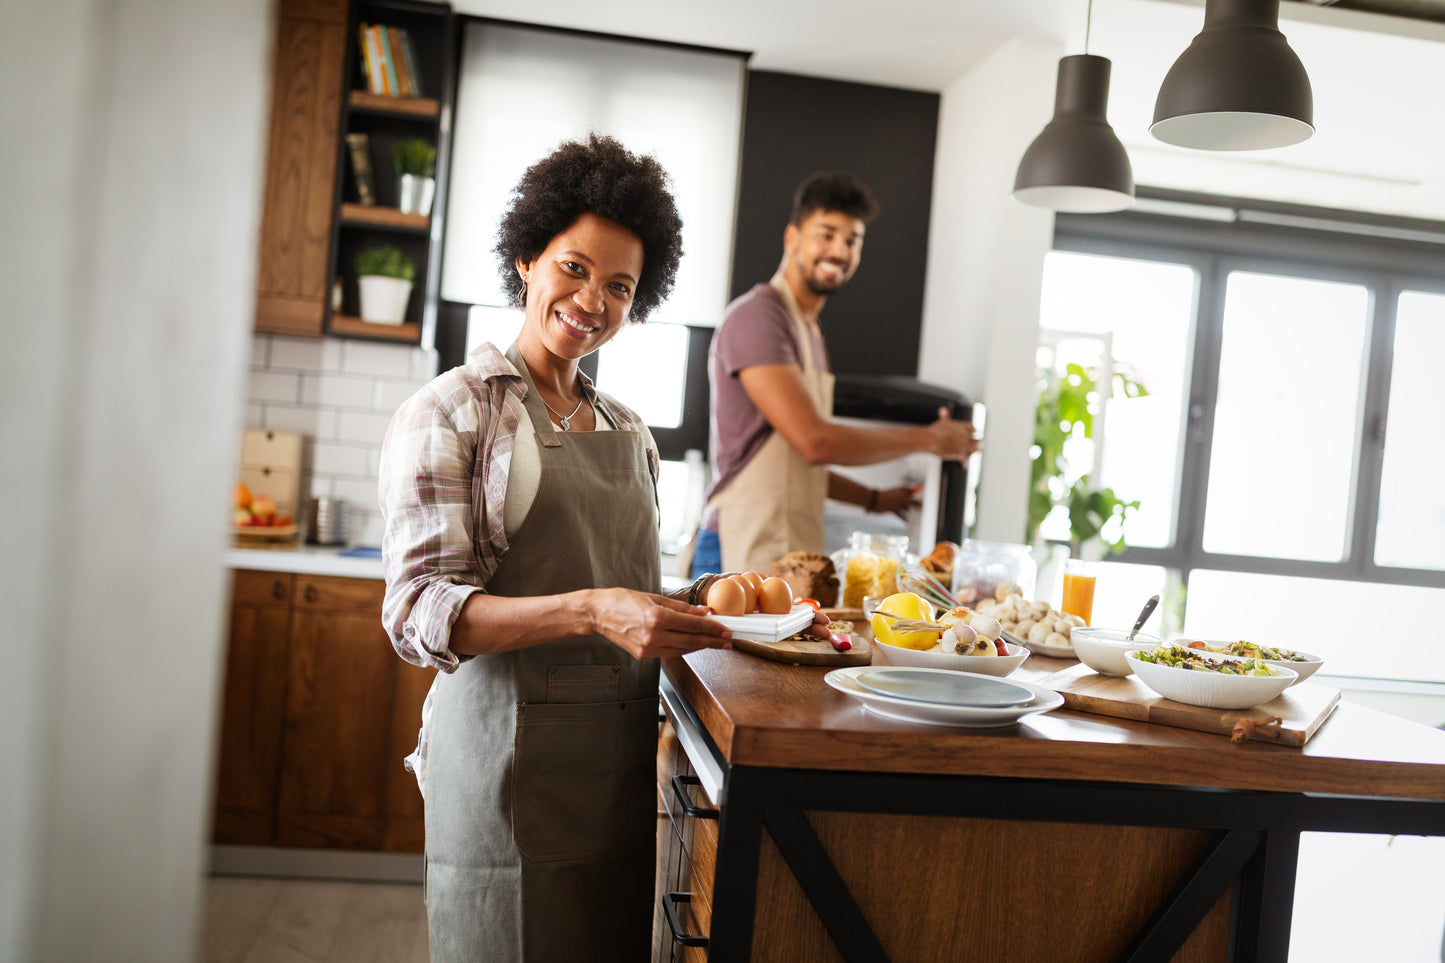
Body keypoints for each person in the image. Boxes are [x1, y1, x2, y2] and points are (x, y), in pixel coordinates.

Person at [378, 135, 812, 962]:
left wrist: (699, 600)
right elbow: (416, 613)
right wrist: (588, 609)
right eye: (573, 268)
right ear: (525, 260)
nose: (592, 300)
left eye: (619, 286)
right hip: (504, 775)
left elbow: (624, 590)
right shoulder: (452, 412)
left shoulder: (628, 430)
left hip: (612, 782)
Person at [695, 171, 981, 576]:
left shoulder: (808, 331)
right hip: (734, 545)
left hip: (782, 548)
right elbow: (814, 441)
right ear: (792, 237)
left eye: (852, 241)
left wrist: (872, 499)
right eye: (826, 234)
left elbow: (792, 468)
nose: (839, 250)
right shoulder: (758, 317)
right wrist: (930, 439)